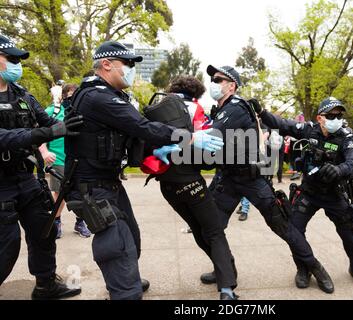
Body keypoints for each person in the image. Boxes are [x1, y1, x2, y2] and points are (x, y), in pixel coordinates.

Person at [63, 41, 221, 300]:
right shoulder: (99, 97)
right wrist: (189, 138)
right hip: (92, 186)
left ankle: (127, 279)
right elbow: (142, 126)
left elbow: (132, 134)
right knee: (117, 245)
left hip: (107, 181)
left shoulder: (103, 94)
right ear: (107, 64)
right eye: (128, 64)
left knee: (131, 237)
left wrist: (159, 150)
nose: (132, 70)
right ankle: (126, 291)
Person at [203, 65, 342, 295]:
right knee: (213, 227)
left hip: (252, 179)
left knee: (282, 226)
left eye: (218, 79)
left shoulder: (236, 107)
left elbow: (211, 136)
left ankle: (314, 266)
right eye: (212, 79)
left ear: (232, 85)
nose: (213, 82)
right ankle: (226, 269)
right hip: (227, 178)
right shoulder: (220, 110)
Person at [255, 96, 353, 291]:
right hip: (309, 192)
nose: (336, 118)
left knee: (350, 234)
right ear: (320, 118)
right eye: (331, 115)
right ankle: (303, 270)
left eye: (339, 115)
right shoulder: (309, 130)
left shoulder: (347, 138)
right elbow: (282, 124)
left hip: (335, 194)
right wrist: (262, 113)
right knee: (294, 230)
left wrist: (340, 170)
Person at [0, 34, 82, 299]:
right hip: (1, 185)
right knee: (7, 244)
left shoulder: (23, 94)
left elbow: (48, 123)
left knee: (43, 232)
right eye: (11, 59)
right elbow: (5, 137)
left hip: (26, 178)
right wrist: (44, 133)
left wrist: (67, 111)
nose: (17, 64)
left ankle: (46, 285)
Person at [144, 75, 237, 300]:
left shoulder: (157, 106)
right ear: (196, 92)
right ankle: (227, 287)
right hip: (191, 181)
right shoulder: (195, 109)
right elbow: (208, 146)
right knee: (214, 232)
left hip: (167, 184)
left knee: (197, 229)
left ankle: (225, 269)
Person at [39, 84, 91, 238]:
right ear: (63, 96)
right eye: (70, 95)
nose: (73, 98)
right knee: (59, 192)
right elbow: (39, 133)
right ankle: (56, 221)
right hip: (58, 159)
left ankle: (80, 222)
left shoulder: (84, 112)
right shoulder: (52, 111)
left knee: (82, 192)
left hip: (78, 160)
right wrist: (45, 152)